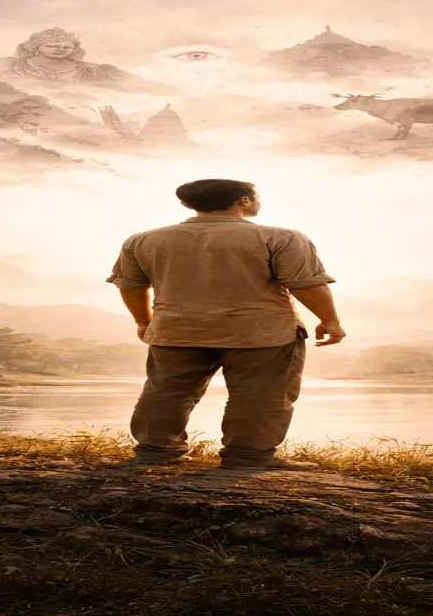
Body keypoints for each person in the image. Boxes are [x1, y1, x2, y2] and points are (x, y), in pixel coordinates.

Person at [106, 179, 347, 469]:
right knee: (261, 394)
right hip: (261, 333)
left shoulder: (143, 240)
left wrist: (144, 321)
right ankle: (249, 456)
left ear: (186, 204)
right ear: (244, 201)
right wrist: (329, 320)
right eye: (256, 196)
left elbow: (130, 286)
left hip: (176, 329)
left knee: (166, 391)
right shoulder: (282, 238)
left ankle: (155, 453)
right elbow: (306, 285)